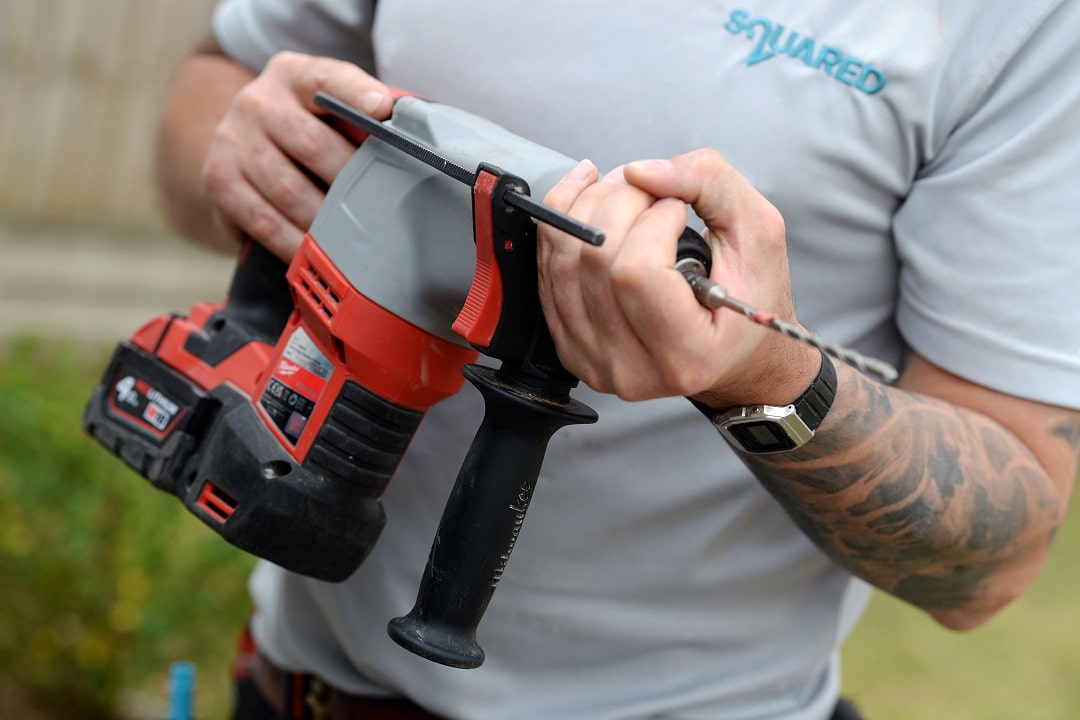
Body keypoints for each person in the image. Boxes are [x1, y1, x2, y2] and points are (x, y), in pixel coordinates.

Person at [156, 2, 1080, 718]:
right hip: (292, 684)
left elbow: (991, 562)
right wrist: (241, 152)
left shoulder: (1021, 29)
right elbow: (206, 92)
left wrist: (759, 380)